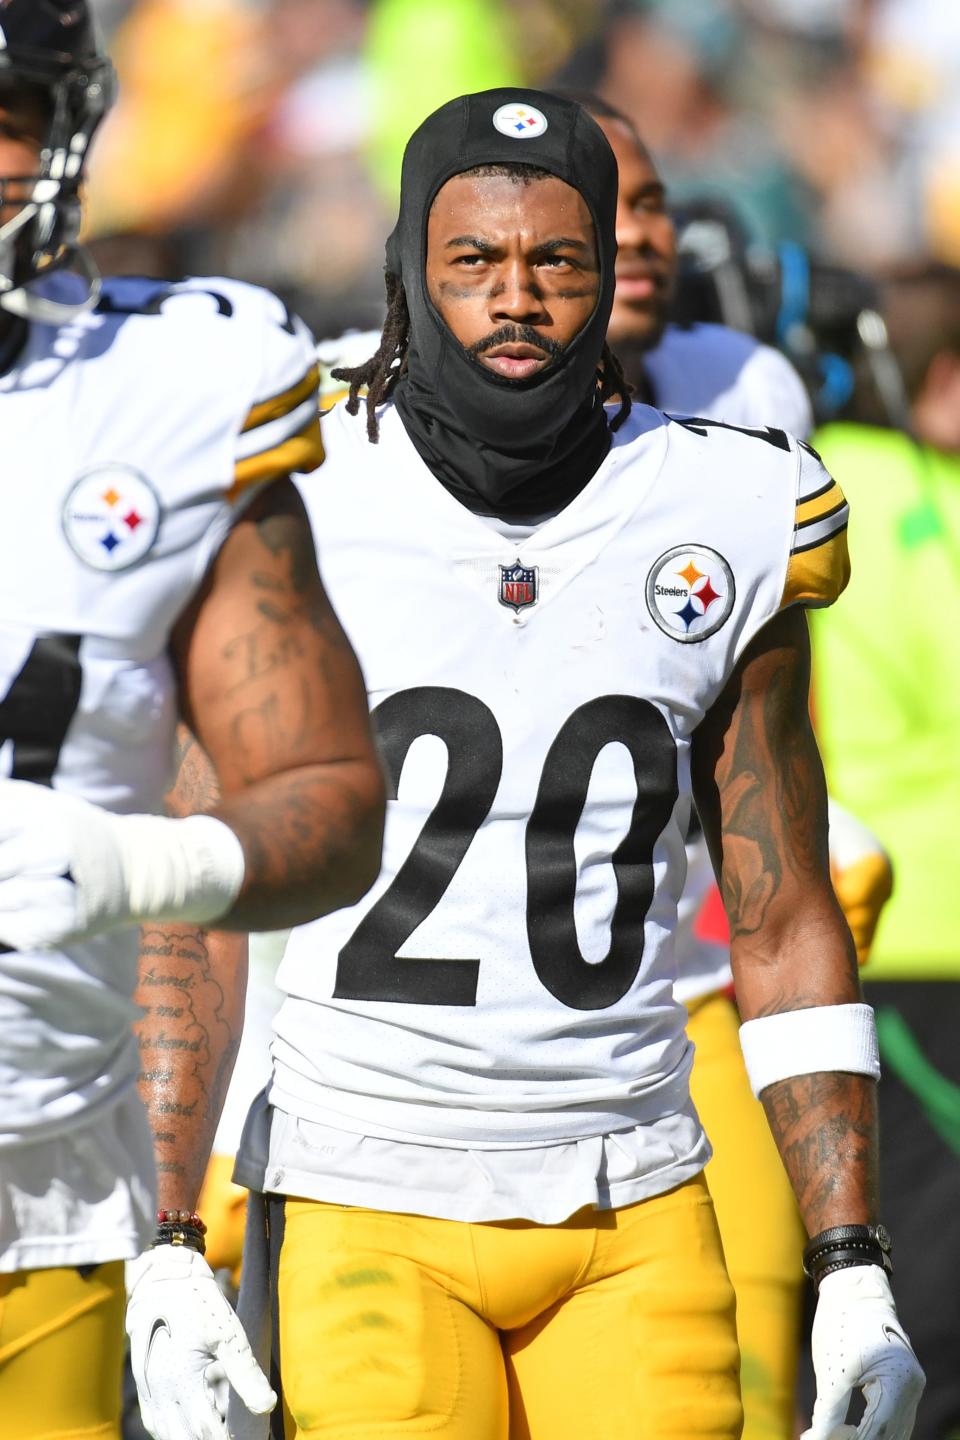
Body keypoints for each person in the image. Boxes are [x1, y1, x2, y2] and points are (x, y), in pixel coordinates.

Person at [127, 90, 923, 1440]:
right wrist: (163, 1228)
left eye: (557, 263)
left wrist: (852, 1262)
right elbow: (202, 881)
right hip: (360, 1185)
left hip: (635, 1188)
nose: (517, 301)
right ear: (408, 273)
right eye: (475, 263)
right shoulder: (295, 484)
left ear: (608, 273)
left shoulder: (732, 507)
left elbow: (783, 908)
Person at [0, 6, 385, 1439]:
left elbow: (331, 793)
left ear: (68, 134)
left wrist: (134, 870)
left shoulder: (175, 394)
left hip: (36, 1185)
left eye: (5, 114)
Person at [808, 261, 960, 1440]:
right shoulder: (918, 496)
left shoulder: (798, 484)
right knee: (933, 1290)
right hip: (918, 932)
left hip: (842, 930)